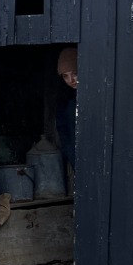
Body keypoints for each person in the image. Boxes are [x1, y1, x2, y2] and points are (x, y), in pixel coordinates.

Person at [56, 46, 78, 191]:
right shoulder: (66, 104)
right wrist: (72, 156)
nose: (71, 80)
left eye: (75, 73)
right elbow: (64, 134)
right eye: (65, 76)